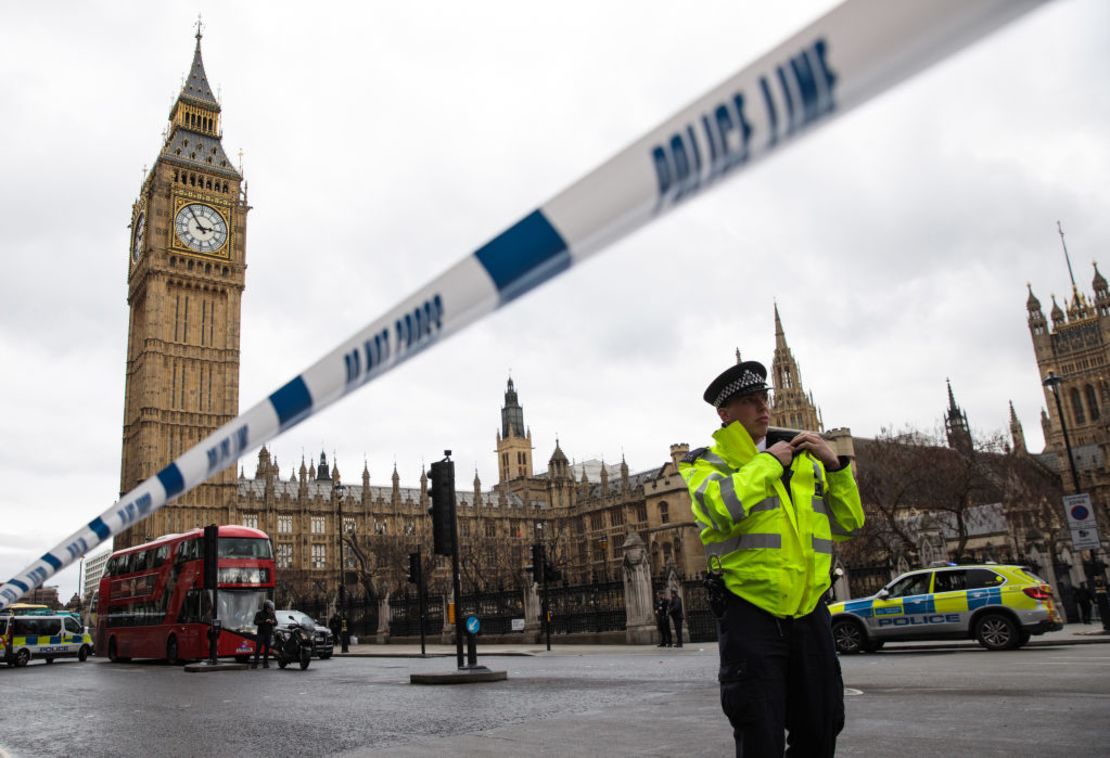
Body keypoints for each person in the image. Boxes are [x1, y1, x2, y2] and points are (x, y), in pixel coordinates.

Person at [679, 360, 865, 757]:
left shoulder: (807, 460)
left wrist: (836, 469)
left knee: (822, 724)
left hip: (810, 610)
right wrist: (768, 463)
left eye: (764, 398)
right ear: (725, 414)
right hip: (751, 613)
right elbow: (717, 509)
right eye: (750, 401)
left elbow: (849, 524)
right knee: (759, 731)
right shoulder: (706, 463)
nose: (764, 408)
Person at [251, 599, 277, 669]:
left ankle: (265, 663)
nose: (270, 610)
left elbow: (276, 623)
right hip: (261, 633)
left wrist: (272, 622)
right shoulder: (259, 614)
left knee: (267, 649)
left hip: (268, 633)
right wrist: (265, 621)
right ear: (266, 608)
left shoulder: (272, 614)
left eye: (271, 608)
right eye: (269, 608)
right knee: (258, 648)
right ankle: (255, 663)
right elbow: (255, 622)